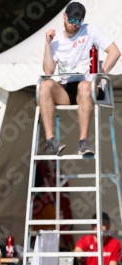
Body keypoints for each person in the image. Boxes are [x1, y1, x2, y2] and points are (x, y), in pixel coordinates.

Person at [40, 1, 121, 156]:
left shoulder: (90, 30)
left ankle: (83, 141)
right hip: (67, 90)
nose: (74, 24)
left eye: (78, 21)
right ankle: (51, 139)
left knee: (84, 86)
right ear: (64, 16)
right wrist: (47, 44)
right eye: (71, 20)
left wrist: (101, 73)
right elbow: (48, 71)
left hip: (89, 88)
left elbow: (115, 52)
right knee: (44, 86)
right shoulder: (55, 40)